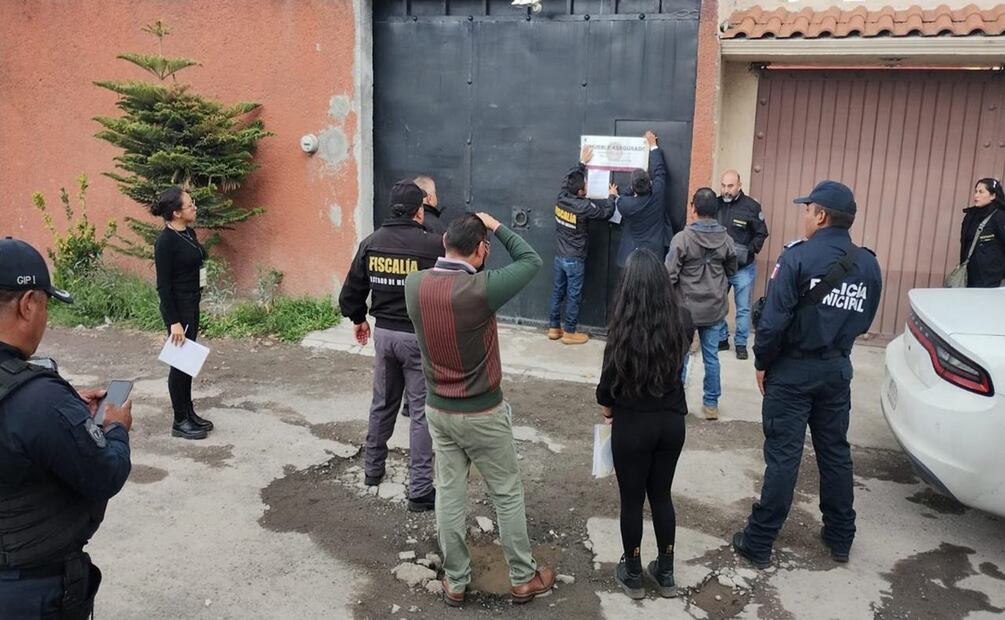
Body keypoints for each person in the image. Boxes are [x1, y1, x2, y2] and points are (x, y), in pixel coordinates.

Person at [404, 213, 556, 607]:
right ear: (480, 250)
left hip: (437, 409)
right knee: (506, 494)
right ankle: (523, 578)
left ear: (444, 244)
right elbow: (532, 261)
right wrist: (499, 226)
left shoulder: (415, 284)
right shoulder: (480, 288)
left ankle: (455, 581)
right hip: (483, 413)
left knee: (450, 494)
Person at [732, 180, 882, 569]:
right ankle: (840, 537)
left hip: (793, 371)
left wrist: (762, 362)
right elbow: (865, 318)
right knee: (835, 453)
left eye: (807, 209)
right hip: (836, 369)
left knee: (784, 457)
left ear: (821, 215)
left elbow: (773, 323)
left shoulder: (797, 257)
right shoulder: (868, 263)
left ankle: (759, 541)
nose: (804, 215)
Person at [0, 238, 133, 618]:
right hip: (28, 591)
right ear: (28, 304)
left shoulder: (38, 398)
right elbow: (105, 473)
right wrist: (116, 427)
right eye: (45, 305)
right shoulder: (39, 400)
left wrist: (64, 405)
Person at [339, 180, 445, 512]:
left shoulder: (371, 243)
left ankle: (372, 470)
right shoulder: (433, 245)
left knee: (382, 404)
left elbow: (351, 292)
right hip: (418, 338)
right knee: (420, 414)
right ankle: (420, 490)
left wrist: (359, 319)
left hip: (383, 336)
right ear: (419, 209)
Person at [597, 249, 693, 600]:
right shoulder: (682, 319)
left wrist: (608, 410)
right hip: (671, 423)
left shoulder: (621, 325)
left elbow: (606, 385)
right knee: (663, 495)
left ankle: (633, 571)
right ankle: (666, 571)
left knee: (632, 501)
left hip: (632, 424)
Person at [665, 188, 737, 420]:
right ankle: (711, 404)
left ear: (693, 208)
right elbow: (732, 270)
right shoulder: (726, 240)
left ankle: (677, 403)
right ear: (715, 211)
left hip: (685, 310)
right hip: (715, 308)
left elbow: (670, 275)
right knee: (711, 357)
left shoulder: (682, 239)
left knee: (681, 356)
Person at [152, 187, 212, 440]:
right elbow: (163, 287)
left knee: (188, 362)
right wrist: (173, 322)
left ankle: (189, 412)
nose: (194, 207)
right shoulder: (165, 243)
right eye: (190, 205)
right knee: (179, 365)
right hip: (178, 308)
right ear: (176, 212)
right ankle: (179, 421)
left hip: (192, 303)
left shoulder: (188, 233)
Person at [547, 145, 617, 345]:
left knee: (558, 290)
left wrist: (582, 163)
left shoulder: (561, 197)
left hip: (560, 255)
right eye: (585, 184)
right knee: (574, 294)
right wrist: (611, 196)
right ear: (580, 191)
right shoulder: (584, 206)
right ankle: (569, 332)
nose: (586, 185)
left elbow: (567, 178)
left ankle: (554, 327)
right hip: (575, 258)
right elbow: (605, 214)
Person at [716, 170, 769, 360]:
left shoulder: (751, 207)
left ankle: (740, 344)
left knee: (743, 309)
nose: (726, 190)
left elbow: (761, 233)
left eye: (730, 186)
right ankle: (722, 339)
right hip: (720, 267)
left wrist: (749, 251)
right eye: (723, 186)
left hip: (743, 268)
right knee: (718, 305)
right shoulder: (716, 204)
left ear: (739, 185)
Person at [615, 131, 667, 273]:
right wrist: (653, 146)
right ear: (650, 184)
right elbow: (660, 172)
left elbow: (624, 195)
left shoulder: (625, 204)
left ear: (632, 187)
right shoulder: (657, 194)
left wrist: (615, 194)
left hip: (630, 258)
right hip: (653, 257)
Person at [960, 177, 1005, 288]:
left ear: (993, 195)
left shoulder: (1000, 216)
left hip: (989, 276)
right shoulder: (970, 215)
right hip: (968, 273)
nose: (976, 195)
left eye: (981, 192)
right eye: (976, 191)